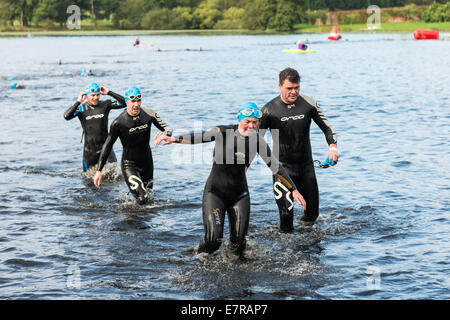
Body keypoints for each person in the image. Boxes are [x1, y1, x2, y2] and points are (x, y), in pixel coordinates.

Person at [154, 102, 306, 259]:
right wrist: (174, 139)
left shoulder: (258, 141)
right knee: (214, 241)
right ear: (240, 119)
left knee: (238, 245)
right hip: (215, 194)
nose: (251, 126)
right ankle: (197, 254)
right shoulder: (223, 132)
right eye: (247, 121)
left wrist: (293, 189)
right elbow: (200, 136)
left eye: (255, 122)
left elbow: (275, 167)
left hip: (239, 195)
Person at [259, 68, 338, 232]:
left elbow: (327, 127)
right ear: (280, 86)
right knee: (286, 222)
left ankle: (307, 248)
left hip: (306, 168)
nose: (293, 92)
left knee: (311, 217)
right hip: (282, 170)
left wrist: (332, 147)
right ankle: (287, 253)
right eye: (289, 88)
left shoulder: (308, 104)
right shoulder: (268, 110)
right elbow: (254, 141)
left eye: (297, 88)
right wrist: (242, 165)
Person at [93, 86, 173, 205]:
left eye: (138, 100)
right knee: (142, 199)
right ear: (126, 102)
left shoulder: (149, 114)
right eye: (133, 101)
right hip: (129, 164)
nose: (136, 104)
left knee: (149, 199)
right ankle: (132, 221)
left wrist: (165, 134)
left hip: (147, 163)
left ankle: (140, 221)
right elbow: (108, 145)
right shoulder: (118, 122)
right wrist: (99, 170)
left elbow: (168, 128)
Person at [64, 82, 126, 171]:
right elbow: (67, 116)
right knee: (88, 179)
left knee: (114, 175)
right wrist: (78, 102)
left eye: (98, 95)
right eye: (93, 95)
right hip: (89, 151)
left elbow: (125, 103)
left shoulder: (105, 104)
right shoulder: (81, 108)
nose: (96, 98)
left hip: (106, 148)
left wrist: (109, 92)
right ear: (87, 95)